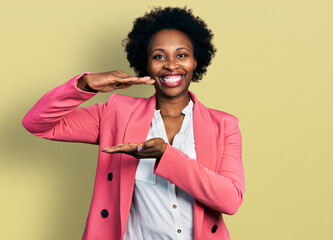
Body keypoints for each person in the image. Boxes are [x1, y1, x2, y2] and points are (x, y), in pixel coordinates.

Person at [22, 6, 244, 240]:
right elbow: (38, 123)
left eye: (182, 55)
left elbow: (229, 201)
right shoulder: (116, 114)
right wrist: (86, 84)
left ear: (196, 61)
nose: (171, 65)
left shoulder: (224, 126)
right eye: (159, 56)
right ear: (145, 64)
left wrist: (165, 155)